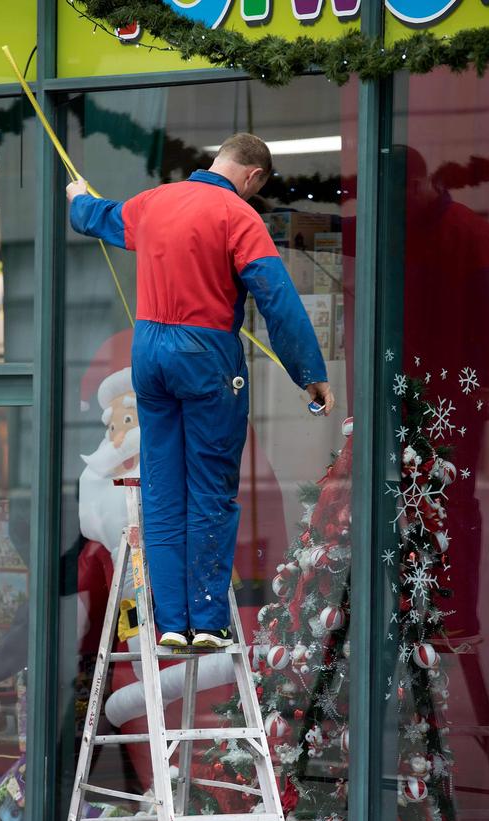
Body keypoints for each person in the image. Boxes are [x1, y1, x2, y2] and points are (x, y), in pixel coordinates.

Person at [67, 133, 334, 650]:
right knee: (210, 486)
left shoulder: (155, 201)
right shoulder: (238, 216)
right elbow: (276, 299)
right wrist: (310, 372)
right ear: (253, 176)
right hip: (205, 356)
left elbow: (95, 217)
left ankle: (169, 623)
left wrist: (77, 197)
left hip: (148, 354)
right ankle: (208, 622)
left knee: (163, 490)